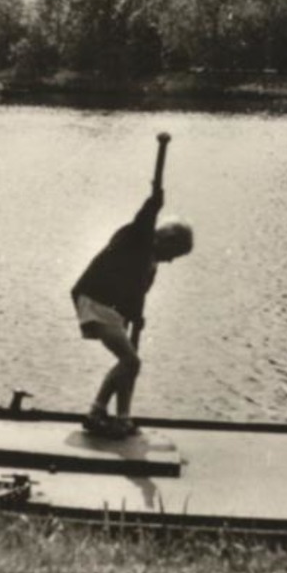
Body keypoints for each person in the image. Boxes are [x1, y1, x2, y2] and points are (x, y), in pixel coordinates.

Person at [70, 180, 193, 438]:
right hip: (94, 300)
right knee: (130, 361)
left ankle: (120, 418)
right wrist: (154, 201)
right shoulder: (136, 239)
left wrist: (137, 318)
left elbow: (137, 294)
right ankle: (96, 413)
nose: (171, 261)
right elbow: (144, 222)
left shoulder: (151, 262)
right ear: (165, 239)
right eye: (174, 253)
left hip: (111, 307)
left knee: (129, 364)